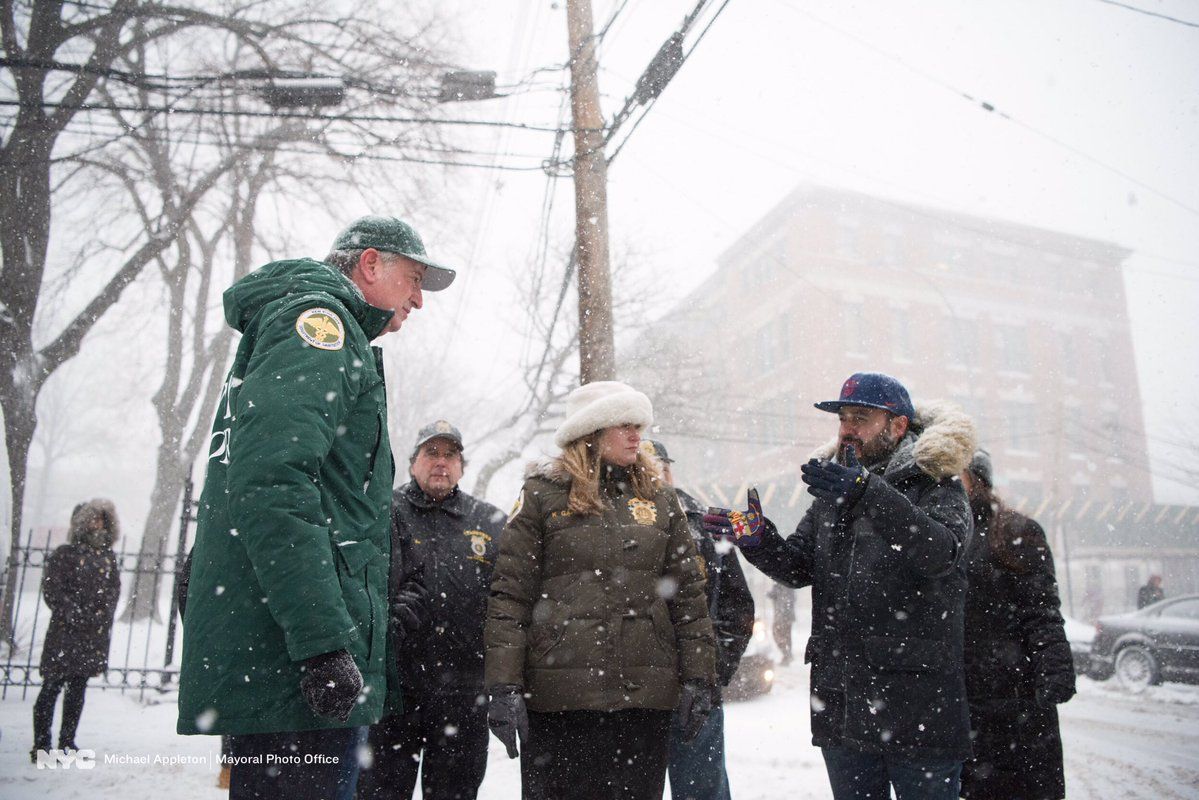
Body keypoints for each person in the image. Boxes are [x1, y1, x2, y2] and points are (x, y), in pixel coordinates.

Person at [177, 216, 456, 800]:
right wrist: (322, 643)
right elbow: (275, 483)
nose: (418, 300)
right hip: (295, 663)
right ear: (371, 264)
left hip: (287, 650)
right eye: (413, 279)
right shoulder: (320, 326)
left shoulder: (310, 325)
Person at [704, 372, 976, 800]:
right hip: (843, 707)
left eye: (861, 417)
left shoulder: (936, 483)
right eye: (843, 417)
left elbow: (939, 552)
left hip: (919, 709)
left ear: (897, 425)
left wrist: (868, 492)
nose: (847, 428)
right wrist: (758, 539)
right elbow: (798, 567)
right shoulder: (834, 489)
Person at [484, 381, 716, 800]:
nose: (636, 435)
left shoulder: (660, 499)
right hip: (560, 698)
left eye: (638, 425)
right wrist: (504, 687)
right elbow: (510, 598)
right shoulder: (541, 496)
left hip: (643, 698)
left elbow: (689, 597)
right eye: (623, 425)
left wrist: (700, 677)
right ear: (591, 433)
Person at [357, 421, 505, 800]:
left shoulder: (490, 522)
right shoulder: (380, 511)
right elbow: (359, 585)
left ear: (462, 466)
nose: (441, 462)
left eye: (450, 454)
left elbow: (507, 602)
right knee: (380, 792)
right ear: (412, 463)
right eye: (431, 453)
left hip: (464, 694)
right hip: (394, 692)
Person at [959, 449, 1076, 800]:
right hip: (960, 697)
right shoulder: (936, 535)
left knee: (1023, 786)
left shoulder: (1015, 532)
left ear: (977, 480)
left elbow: (1042, 611)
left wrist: (1053, 668)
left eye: (954, 474)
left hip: (1016, 694)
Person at [648, 440, 755, 800]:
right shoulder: (610, 526)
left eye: (660, 467)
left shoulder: (704, 524)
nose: (656, 476)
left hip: (694, 691)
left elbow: (737, 607)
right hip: (631, 692)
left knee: (702, 790)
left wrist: (711, 671)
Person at [32, 499, 121, 761]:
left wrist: (99, 615)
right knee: (51, 688)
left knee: (77, 691)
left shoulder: (107, 557)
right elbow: (53, 590)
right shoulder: (65, 554)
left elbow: (113, 592)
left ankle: (67, 741)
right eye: (94, 519)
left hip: (91, 636)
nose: (98, 525)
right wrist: (74, 613)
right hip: (64, 634)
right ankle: (41, 745)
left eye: (102, 520)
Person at [769, 583, 796, 666]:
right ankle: (787, 655)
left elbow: (772, 595)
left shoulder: (779, 586)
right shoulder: (789, 586)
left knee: (778, 635)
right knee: (786, 636)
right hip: (787, 616)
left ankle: (787, 654)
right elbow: (792, 599)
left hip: (781, 617)